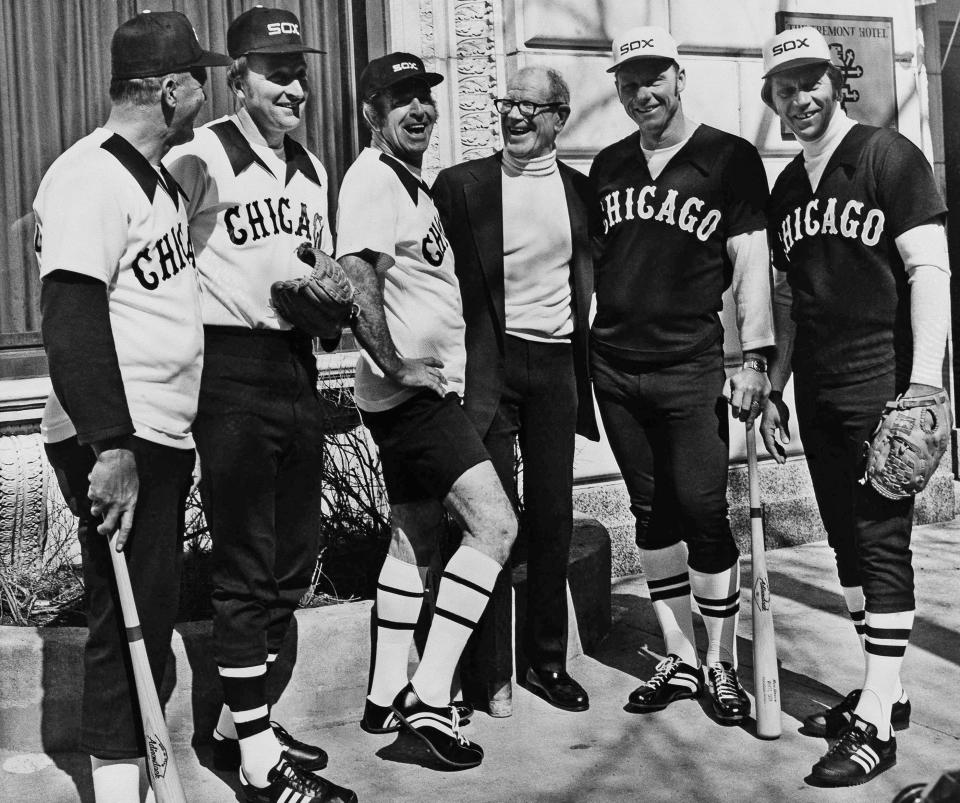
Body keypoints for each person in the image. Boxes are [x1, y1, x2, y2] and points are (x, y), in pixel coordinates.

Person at [34, 12, 230, 802]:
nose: (207, 94)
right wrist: (110, 446)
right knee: (128, 625)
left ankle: (134, 785)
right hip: (118, 430)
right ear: (172, 90)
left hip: (154, 429)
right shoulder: (89, 174)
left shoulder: (152, 177)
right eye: (200, 80)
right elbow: (71, 317)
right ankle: (120, 793)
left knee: (144, 612)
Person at [164, 8, 355, 802]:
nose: (295, 86)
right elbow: (149, 252)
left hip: (294, 366)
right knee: (246, 562)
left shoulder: (311, 166)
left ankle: (243, 723)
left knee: (293, 552)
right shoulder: (198, 154)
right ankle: (255, 760)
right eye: (275, 72)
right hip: (227, 369)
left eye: (299, 71)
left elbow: (317, 271)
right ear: (236, 79)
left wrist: (329, 305)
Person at [759, 27, 951, 786]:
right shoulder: (785, 189)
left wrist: (928, 383)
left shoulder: (886, 156)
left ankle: (876, 721)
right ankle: (886, 685)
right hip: (820, 382)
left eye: (810, 82)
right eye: (784, 88)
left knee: (879, 542)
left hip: (884, 383)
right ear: (771, 100)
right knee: (842, 538)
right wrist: (774, 385)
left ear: (835, 83)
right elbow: (790, 299)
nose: (799, 98)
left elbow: (929, 269)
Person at [336, 52, 518, 771]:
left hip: (411, 398)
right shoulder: (372, 179)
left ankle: (385, 693)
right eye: (400, 98)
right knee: (496, 525)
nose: (418, 110)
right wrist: (395, 362)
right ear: (371, 113)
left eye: (424, 98)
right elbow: (356, 276)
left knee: (414, 534)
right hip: (414, 398)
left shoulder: (408, 182)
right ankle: (428, 699)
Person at [589, 26, 774, 725]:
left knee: (702, 507)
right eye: (629, 82)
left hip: (690, 364)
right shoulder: (607, 167)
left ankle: (721, 659)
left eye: (654, 78)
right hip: (614, 366)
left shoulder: (727, 158)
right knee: (650, 510)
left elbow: (752, 261)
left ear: (679, 75)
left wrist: (754, 356)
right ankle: (678, 653)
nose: (643, 94)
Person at [431, 65, 599, 715]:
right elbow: (425, 275)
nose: (515, 115)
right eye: (507, 102)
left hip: (556, 368)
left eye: (531, 106)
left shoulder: (583, 194)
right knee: (484, 518)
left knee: (553, 514)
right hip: (487, 369)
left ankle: (546, 661)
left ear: (559, 116)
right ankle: (485, 671)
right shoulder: (461, 185)